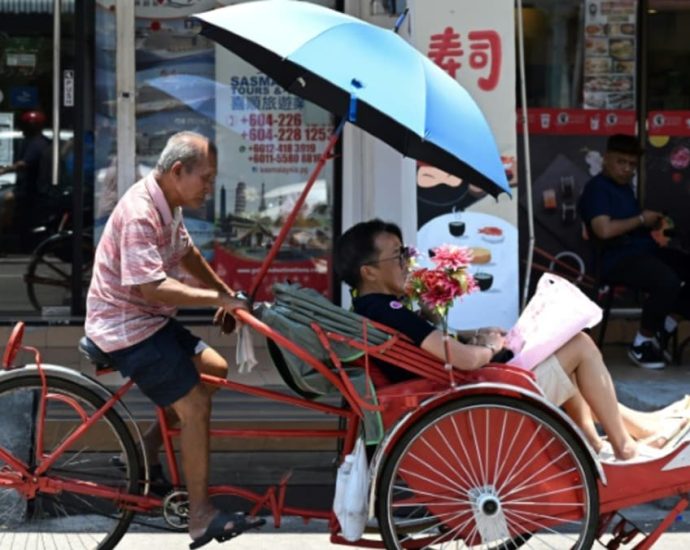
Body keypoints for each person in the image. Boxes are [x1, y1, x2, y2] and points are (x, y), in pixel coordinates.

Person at [334, 219, 690, 461]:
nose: (407, 262)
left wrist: (465, 333)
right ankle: (627, 445)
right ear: (369, 271)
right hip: (473, 402)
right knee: (579, 344)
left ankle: (608, 438)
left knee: (562, 346)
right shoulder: (388, 310)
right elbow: (462, 358)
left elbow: (439, 348)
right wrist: (489, 345)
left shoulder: (372, 308)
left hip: (463, 394)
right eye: (398, 256)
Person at [85, 131, 264, 547]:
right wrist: (217, 298)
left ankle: (147, 450)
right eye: (206, 177)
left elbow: (187, 255)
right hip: (126, 327)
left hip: (152, 321)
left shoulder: (170, 203)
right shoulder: (140, 211)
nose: (209, 186)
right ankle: (200, 517)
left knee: (215, 371)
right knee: (196, 403)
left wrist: (228, 296)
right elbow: (153, 287)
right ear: (177, 171)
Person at [578, 134, 690, 370]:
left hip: (644, 251)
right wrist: (641, 219)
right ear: (607, 159)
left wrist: (649, 223)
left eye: (631, 164)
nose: (627, 169)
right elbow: (604, 230)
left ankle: (665, 325)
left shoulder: (624, 188)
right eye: (621, 162)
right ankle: (642, 343)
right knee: (666, 281)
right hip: (617, 259)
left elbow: (628, 223)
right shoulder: (597, 189)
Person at [0, 111, 51, 249]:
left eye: (24, 125)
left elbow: (24, 164)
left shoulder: (37, 143)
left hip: (31, 190)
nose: (21, 128)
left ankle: (4, 235)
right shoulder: (34, 142)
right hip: (27, 187)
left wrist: (4, 170)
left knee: (5, 199)